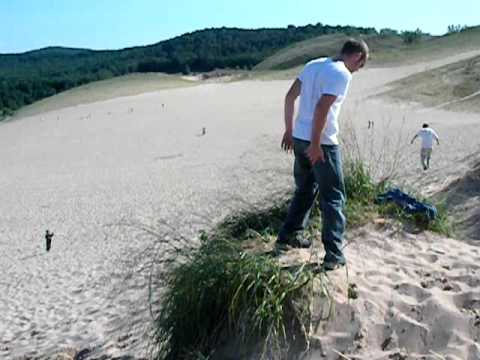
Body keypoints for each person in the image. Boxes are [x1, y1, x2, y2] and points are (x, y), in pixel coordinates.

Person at [277, 39, 369, 271]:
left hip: (299, 137)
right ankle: (334, 255)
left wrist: (289, 130)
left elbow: (290, 97)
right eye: (361, 64)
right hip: (322, 143)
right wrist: (316, 144)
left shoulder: (314, 65)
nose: (358, 70)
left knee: (305, 189)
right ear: (357, 56)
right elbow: (321, 109)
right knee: (333, 196)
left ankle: (289, 235)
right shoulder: (341, 74)